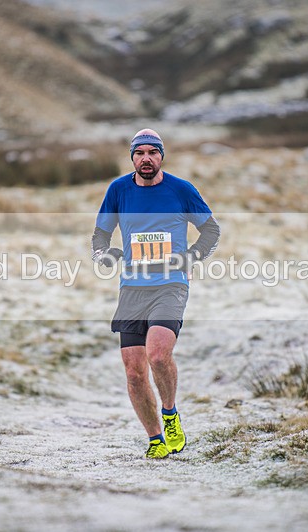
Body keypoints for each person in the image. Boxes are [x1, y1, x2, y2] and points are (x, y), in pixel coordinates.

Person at [92, 129, 220, 459]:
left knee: (158, 355)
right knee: (134, 372)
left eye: (153, 152)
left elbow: (211, 230)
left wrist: (192, 256)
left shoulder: (181, 190)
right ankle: (155, 440)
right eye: (139, 153)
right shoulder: (118, 190)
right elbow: (100, 236)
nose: (146, 158)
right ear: (132, 158)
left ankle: (170, 414)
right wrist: (104, 254)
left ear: (162, 156)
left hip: (170, 284)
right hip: (132, 289)